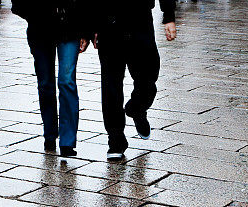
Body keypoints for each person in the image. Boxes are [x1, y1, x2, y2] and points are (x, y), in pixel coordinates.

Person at [93, 0, 177, 161]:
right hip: (109, 23)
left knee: (148, 74)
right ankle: (115, 139)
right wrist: (92, 26)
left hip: (140, 19)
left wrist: (169, 16)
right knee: (111, 85)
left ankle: (137, 108)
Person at [12, 1, 91, 157]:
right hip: (40, 27)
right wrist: (33, 15)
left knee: (66, 81)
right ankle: (50, 134)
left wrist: (86, 30)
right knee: (45, 84)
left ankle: (67, 141)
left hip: (70, 25)